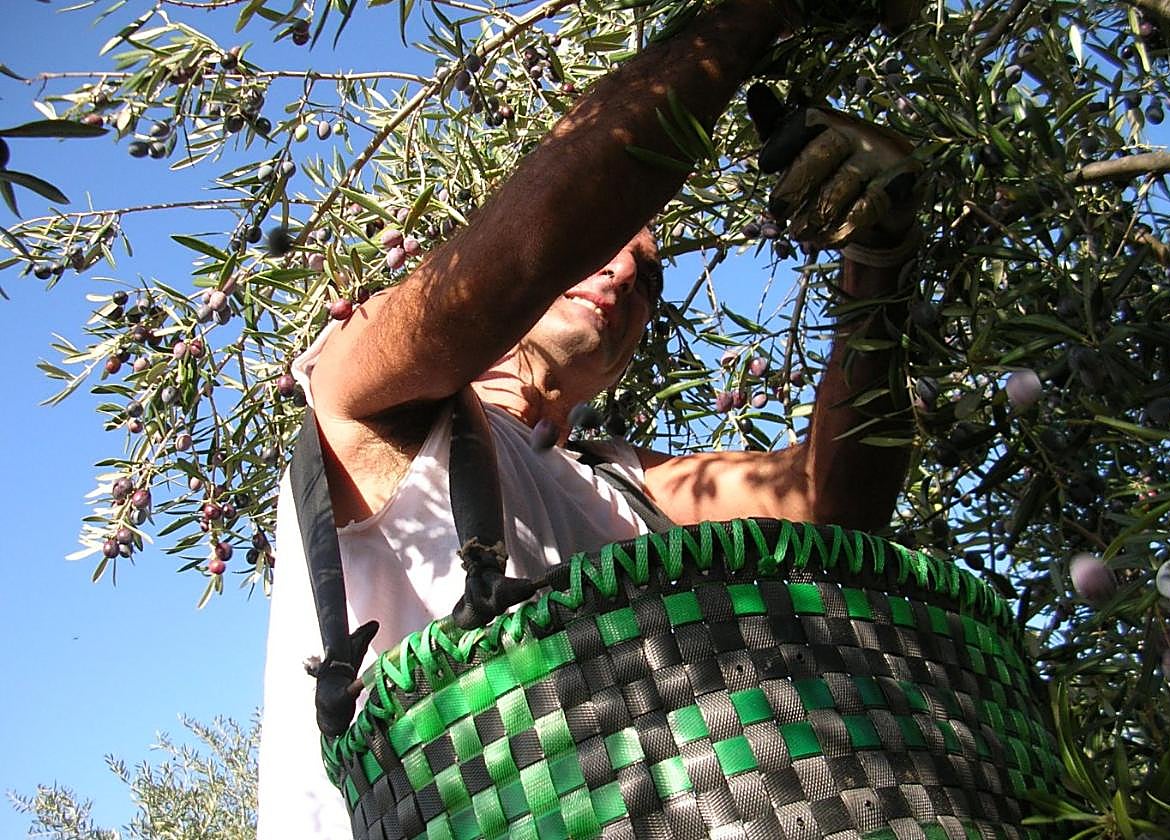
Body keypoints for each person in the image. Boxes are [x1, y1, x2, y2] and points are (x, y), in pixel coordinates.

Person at [256, 0, 923, 835]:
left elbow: (836, 506)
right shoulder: (366, 386)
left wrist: (882, 259)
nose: (618, 274)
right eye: (604, 246)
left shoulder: (631, 489)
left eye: (646, 278)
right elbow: (518, 253)